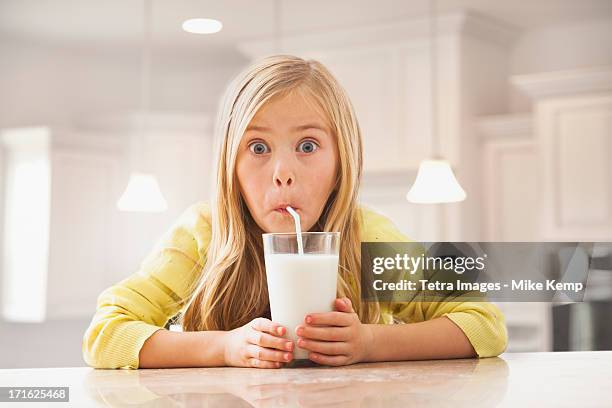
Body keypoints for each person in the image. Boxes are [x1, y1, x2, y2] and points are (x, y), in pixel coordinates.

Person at [82, 55, 507, 369]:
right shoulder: (202, 235)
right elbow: (105, 336)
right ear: (230, 165)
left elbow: (484, 324)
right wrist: (226, 347)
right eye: (259, 148)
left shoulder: (365, 236)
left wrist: (370, 343)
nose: (282, 174)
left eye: (307, 146)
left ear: (342, 159)